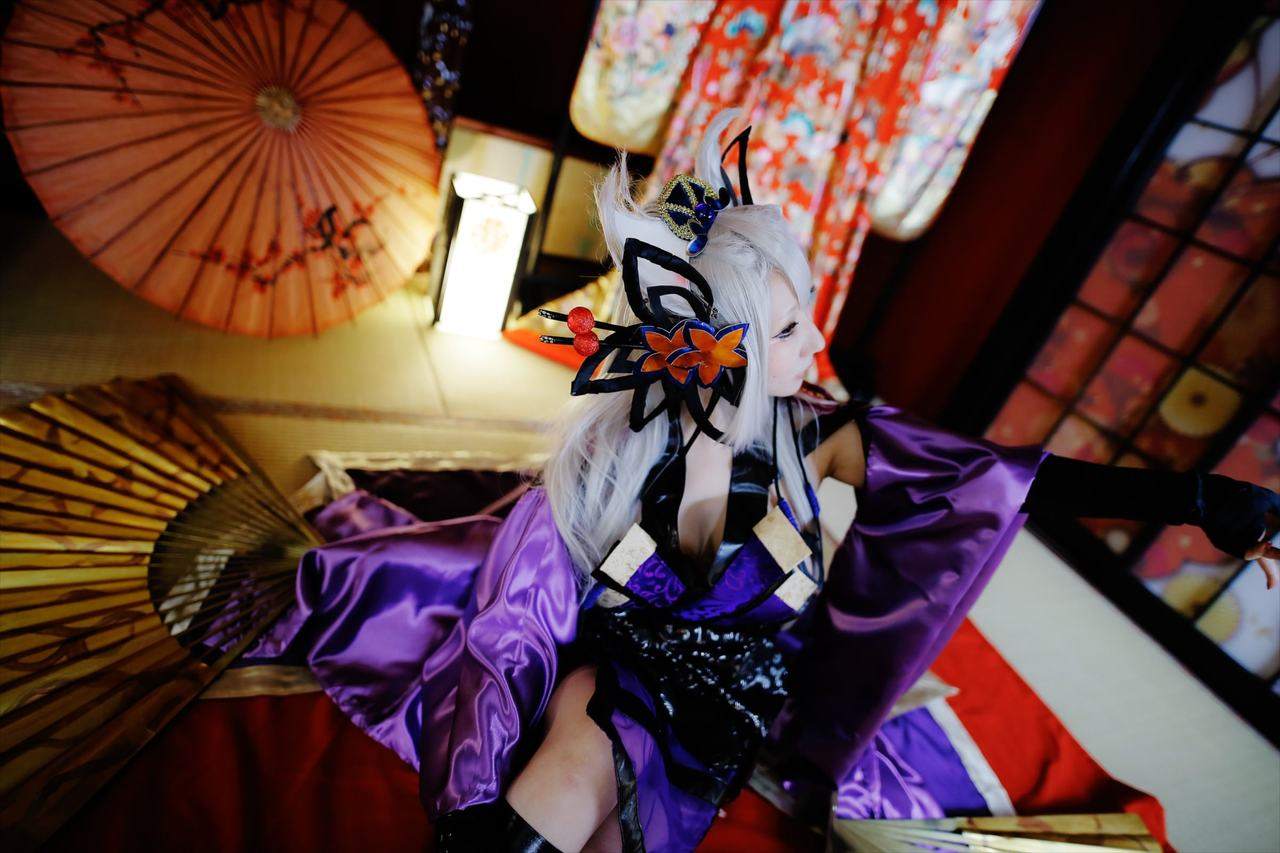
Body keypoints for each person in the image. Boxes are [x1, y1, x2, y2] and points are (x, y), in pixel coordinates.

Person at [252, 110, 1280, 853]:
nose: (815, 341)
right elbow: (510, 624)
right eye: (787, 327)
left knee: (614, 800)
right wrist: (471, 781)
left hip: (730, 702)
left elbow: (997, 479)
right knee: (567, 762)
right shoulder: (618, 460)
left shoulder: (817, 437)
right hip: (612, 675)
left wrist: (1191, 500)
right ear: (722, 345)